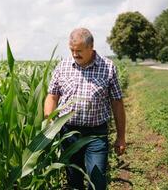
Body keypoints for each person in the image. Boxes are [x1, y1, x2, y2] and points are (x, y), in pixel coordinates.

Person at [44, 28, 126, 190]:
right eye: (72, 50)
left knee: (97, 180)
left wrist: (121, 137)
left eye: (79, 50)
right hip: (68, 133)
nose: (75, 54)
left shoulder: (108, 67)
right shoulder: (63, 66)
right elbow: (52, 96)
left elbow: (117, 103)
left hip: (96, 134)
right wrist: (49, 120)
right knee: (74, 181)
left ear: (91, 47)